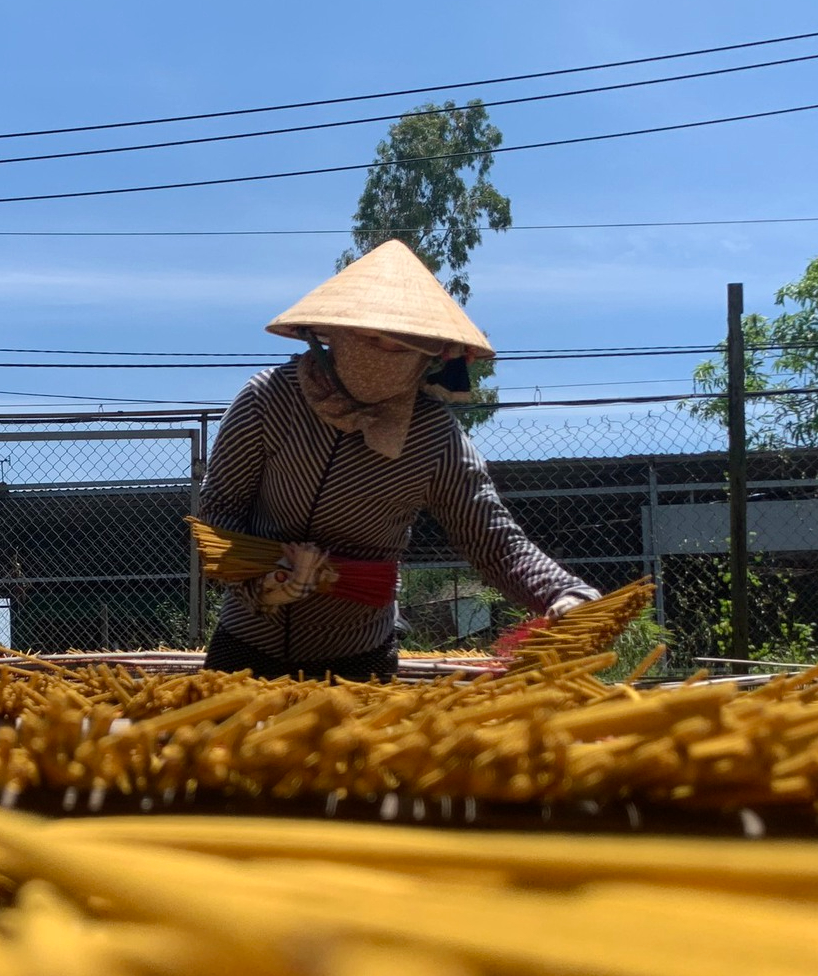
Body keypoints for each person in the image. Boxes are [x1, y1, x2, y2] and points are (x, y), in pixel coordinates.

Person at [200, 240, 597, 680]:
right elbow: (220, 511)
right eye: (370, 340)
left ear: (429, 356)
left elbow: (494, 541)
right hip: (247, 645)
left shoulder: (433, 438)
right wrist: (265, 583)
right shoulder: (269, 400)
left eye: (403, 346)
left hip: (357, 657)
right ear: (334, 334)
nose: (385, 354)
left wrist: (563, 593)